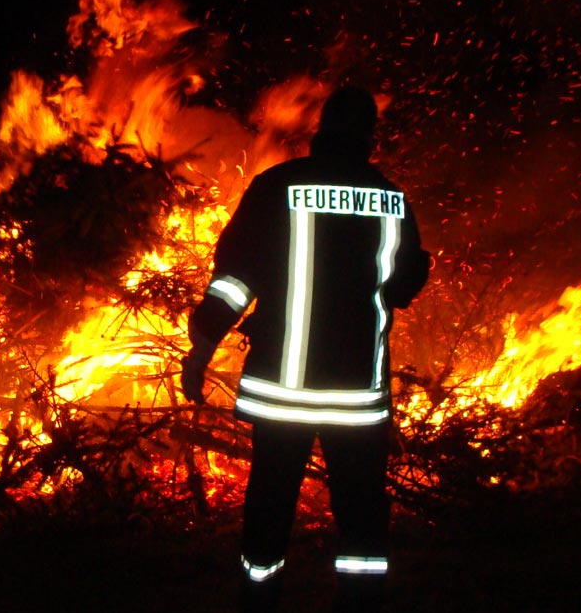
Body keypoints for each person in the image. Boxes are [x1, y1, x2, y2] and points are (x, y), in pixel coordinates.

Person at [181, 84, 431, 612]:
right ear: (369, 135)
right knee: (362, 512)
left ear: (321, 128)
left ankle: (259, 600)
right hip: (358, 395)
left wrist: (203, 343)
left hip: (283, 394)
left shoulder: (278, 187)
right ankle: (361, 603)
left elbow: (235, 279)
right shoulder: (390, 198)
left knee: (270, 504)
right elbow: (406, 283)